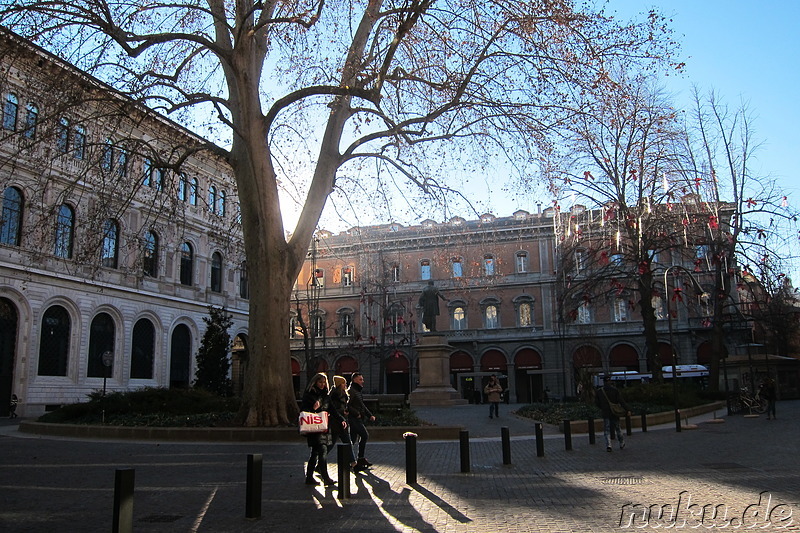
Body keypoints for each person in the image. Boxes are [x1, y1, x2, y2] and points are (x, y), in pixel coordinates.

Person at [300, 373, 336, 486]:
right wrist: (312, 408)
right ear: (315, 382)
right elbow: (304, 411)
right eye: (320, 382)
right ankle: (325, 477)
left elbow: (332, 409)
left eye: (324, 382)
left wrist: (342, 420)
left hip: (324, 428)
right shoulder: (309, 395)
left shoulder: (326, 395)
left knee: (315, 453)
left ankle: (309, 477)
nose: (322, 384)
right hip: (314, 428)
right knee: (322, 451)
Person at [347, 372, 376, 471]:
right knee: (364, 435)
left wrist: (369, 415)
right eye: (360, 379)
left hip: (358, 418)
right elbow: (347, 405)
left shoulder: (357, 390)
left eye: (362, 379)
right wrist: (356, 413)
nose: (362, 381)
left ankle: (352, 461)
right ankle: (359, 459)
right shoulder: (351, 391)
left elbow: (362, 405)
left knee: (352, 440)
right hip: (354, 419)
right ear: (354, 380)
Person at [328, 375, 357, 468]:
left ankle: (353, 462)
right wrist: (342, 412)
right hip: (336, 423)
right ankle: (319, 463)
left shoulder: (343, 394)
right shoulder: (335, 395)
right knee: (331, 444)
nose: (346, 385)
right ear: (340, 384)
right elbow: (333, 409)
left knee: (347, 442)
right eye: (344, 383)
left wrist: (345, 411)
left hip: (343, 422)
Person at [595, 375, 630, 452]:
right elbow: (621, 401)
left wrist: (603, 407)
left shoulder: (600, 391)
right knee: (617, 427)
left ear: (604, 382)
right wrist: (627, 409)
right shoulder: (615, 390)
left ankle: (609, 445)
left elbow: (597, 403)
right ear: (610, 381)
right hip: (614, 412)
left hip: (605, 412)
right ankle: (621, 442)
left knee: (606, 429)